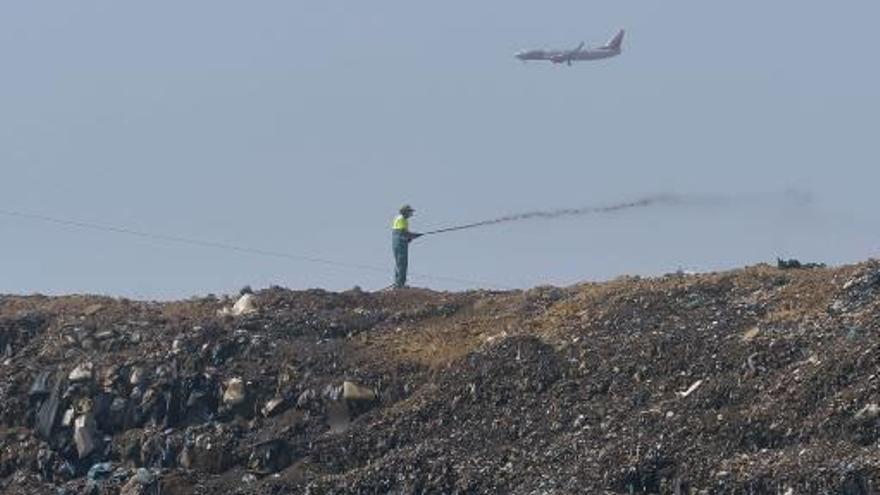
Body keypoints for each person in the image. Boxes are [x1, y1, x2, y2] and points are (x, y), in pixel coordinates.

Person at [391, 205, 422, 288]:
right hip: (400, 243)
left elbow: (401, 233)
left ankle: (397, 283)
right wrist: (414, 235)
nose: (411, 213)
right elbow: (403, 233)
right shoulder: (402, 219)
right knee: (402, 263)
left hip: (397, 242)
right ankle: (400, 284)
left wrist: (410, 237)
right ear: (405, 211)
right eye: (410, 211)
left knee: (399, 263)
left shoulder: (398, 218)